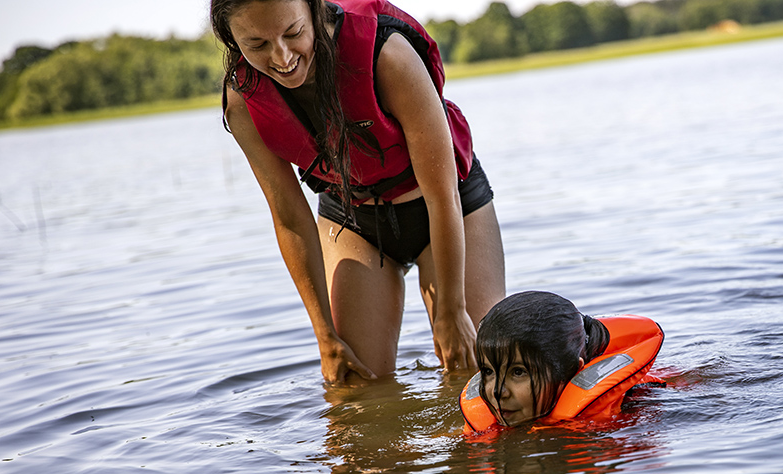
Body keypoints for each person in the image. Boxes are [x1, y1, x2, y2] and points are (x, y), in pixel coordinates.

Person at [211, 0, 505, 384]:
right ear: (231, 40)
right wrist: (324, 337)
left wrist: (451, 311)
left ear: (314, 11)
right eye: (257, 45)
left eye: (293, 33)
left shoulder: (387, 53)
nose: (282, 57)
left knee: (479, 368)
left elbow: (442, 194)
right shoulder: (242, 99)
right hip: (354, 217)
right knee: (351, 383)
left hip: (448, 204)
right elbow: (289, 217)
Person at [464, 291, 664, 431]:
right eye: (489, 372)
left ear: (571, 371)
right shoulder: (495, 418)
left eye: (518, 372)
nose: (498, 392)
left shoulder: (631, 413)